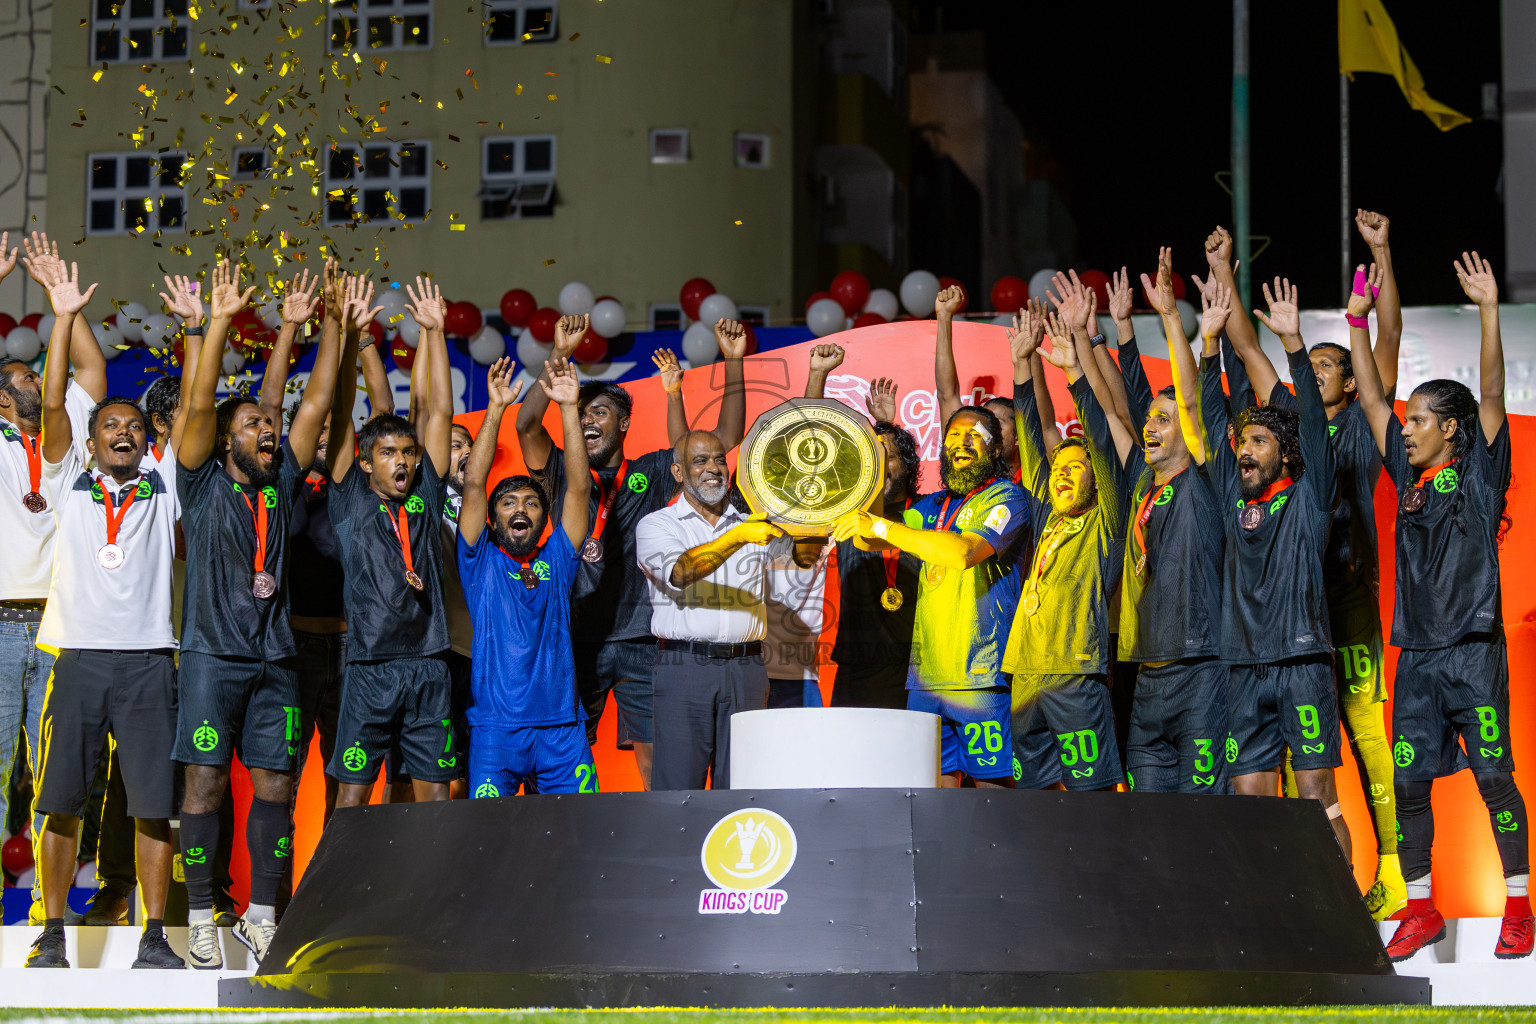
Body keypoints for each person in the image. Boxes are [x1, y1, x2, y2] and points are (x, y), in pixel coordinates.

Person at [1207, 215, 1406, 918]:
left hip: (1342, 597)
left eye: (1330, 364)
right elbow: (1242, 340)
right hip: (1277, 604)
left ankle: (1388, 871)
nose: (1316, 370)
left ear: (1352, 384)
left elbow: (1384, 338)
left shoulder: (1359, 418)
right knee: (1269, 768)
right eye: (1310, 362)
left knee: (1362, 732)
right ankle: (1284, 903)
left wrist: (1380, 253)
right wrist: (1226, 271)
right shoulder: (1284, 422)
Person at [1346, 255, 1533, 961]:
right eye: (1411, 419)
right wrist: (1358, 324)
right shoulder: (1410, 475)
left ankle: (1519, 907)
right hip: (1417, 658)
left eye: (1422, 419)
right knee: (1409, 782)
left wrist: (1488, 311)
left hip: (1473, 652)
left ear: (1452, 430)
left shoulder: (1481, 475)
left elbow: (1488, 391)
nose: (1410, 426)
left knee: (1493, 778)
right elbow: (1369, 400)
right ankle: (1420, 910)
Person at [172, 261, 338, 968]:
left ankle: (264, 916)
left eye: (271, 427)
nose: (268, 432)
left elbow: (316, 398)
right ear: (227, 439)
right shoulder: (202, 480)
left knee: (276, 785)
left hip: (276, 661)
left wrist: (330, 322)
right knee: (205, 783)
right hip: (213, 656)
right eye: (254, 426)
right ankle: (204, 912)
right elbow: (204, 400)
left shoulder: (284, 481)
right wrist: (216, 323)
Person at [1159, 249, 1350, 855]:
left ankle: (1344, 927)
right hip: (1242, 666)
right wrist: (1207, 342)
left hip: (1301, 663)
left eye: (1259, 441)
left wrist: (1294, 345)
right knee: (1250, 800)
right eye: (1244, 441)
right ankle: (1272, 921)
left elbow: (1316, 429)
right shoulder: (1227, 490)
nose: (1244, 450)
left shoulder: (1309, 494)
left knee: (1317, 793)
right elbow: (1205, 412)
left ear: (1287, 457)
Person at [25, 258, 182, 969]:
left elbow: (201, 404)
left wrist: (196, 328)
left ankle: (153, 935)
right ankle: (53, 930)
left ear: (147, 440)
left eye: (131, 426)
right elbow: (55, 399)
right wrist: (62, 316)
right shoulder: (66, 480)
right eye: (107, 425)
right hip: (80, 660)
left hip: (151, 662)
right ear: (88, 442)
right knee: (62, 803)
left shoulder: (163, 481)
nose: (120, 432)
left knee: (154, 806)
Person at [516, 315, 748, 788]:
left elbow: (721, 440)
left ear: (623, 424)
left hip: (643, 641)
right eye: (581, 413)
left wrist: (733, 361)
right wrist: (559, 354)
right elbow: (525, 424)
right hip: (576, 636)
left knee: (655, 764)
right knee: (562, 760)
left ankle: (658, 847)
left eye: (598, 412)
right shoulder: (561, 469)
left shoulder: (654, 470)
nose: (586, 420)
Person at [833, 402, 1030, 788]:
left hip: (980, 677)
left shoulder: (1007, 498)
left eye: (975, 435)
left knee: (992, 798)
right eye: (954, 435)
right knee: (934, 799)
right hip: (925, 683)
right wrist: (871, 466)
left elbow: (962, 552)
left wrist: (882, 528)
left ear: (995, 449)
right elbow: (869, 537)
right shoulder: (934, 506)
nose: (962, 442)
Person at [0, 232, 109, 925]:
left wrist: (63, 311)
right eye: (19, 380)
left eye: (40, 376)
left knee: (55, 770)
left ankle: (51, 902)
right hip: (0, 620)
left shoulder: (67, 447)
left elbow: (90, 375)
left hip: (58, 625)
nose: (35, 383)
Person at [323, 272, 458, 808]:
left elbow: (440, 413)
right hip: (369, 667)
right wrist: (348, 335)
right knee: (352, 801)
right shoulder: (349, 497)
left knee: (434, 798)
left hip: (429, 662)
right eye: (387, 453)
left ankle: (436, 892)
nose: (401, 460)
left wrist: (435, 332)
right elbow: (337, 414)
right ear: (364, 461)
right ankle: (341, 893)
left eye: (407, 452)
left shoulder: (424, 488)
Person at [1003, 296, 1127, 792]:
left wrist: (1075, 374)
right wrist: (1021, 363)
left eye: (1076, 468)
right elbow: (1031, 432)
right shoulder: (1045, 514)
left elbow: (1098, 440)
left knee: (1090, 798)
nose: (1062, 474)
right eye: (1058, 468)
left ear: (1096, 481)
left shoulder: (1107, 522)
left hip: (1076, 673)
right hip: (1025, 672)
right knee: (1032, 800)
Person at [459, 357, 595, 796]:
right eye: (510, 503)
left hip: (562, 733)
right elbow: (475, 484)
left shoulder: (557, 558)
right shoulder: (480, 561)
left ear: (544, 519)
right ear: (494, 521)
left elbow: (578, 487)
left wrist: (569, 408)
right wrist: (495, 410)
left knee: (577, 842)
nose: (521, 508)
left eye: (532, 503)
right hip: (497, 734)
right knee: (492, 848)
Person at [636, 430, 798, 790]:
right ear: (678, 472)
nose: (714, 468)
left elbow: (799, 557)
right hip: (685, 669)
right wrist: (738, 536)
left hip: (748, 669)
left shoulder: (752, 525)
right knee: (678, 789)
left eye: (720, 459)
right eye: (700, 460)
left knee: (743, 787)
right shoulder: (657, 524)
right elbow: (680, 571)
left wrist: (808, 519)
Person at [827, 373, 921, 710]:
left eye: (889, 457)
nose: (880, 467)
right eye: (873, 459)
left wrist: (887, 427)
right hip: (860, 664)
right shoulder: (845, 510)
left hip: (922, 667)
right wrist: (879, 428)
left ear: (909, 466)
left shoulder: (931, 511)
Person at [934, 284, 1036, 481]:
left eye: (996, 423)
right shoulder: (969, 474)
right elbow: (947, 395)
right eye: (981, 425)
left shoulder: (1034, 478)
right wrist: (944, 317)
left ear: (1018, 438)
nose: (986, 429)